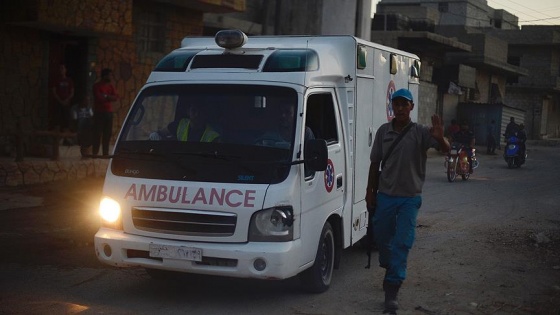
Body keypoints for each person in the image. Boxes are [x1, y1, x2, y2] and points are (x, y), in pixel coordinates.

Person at [365, 88, 449, 314]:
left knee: (402, 242)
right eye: (397, 104)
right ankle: (389, 265)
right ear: (392, 107)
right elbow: (375, 164)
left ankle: (392, 291)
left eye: (405, 104)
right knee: (382, 237)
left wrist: (441, 138)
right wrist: (369, 191)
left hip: (409, 199)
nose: (400, 108)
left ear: (411, 107)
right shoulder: (384, 132)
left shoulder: (421, 132)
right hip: (385, 196)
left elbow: (447, 151)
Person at [149, 102, 220, 142]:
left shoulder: (213, 136)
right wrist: (155, 135)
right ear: (188, 112)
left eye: (200, 112)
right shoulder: (181, 124)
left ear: (205, 114)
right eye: (194, 110)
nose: (196, 115)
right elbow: (161, 133)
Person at [92, 68, 119, 156]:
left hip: (108, 113)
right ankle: (95, 153)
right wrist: (108, 97)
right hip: (99, 112)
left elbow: (115, 97)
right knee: (97, 133)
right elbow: (99, 98)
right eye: (110, 75)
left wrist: (106, 96)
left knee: (107, 134)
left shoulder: (110, 86)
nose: (111, 77)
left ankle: (105, 154)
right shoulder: (97, 86)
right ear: (105, 76)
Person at [51, 64, 75, 143]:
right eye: (60, 68)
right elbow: (54, 91)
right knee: (58, 120)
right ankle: (57, 139)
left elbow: (72, 92)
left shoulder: (69, 80)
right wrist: (60, 100)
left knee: (66, 120)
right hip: (58, 103)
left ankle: (66, 138)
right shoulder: (56, 80)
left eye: (62, 68)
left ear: (65, 70)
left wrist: (67, 99)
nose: (61, 70)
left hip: (67, 103)